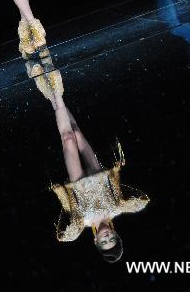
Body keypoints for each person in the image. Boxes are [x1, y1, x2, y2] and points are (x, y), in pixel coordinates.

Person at [48, 88, 149, 262]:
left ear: (96, 241)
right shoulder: (117, 209)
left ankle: (56, 95)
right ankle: (53, 96)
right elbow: (139, 199)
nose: (107, 237)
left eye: (104, 242)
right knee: (76, 133)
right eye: (112, 239)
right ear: (116, 234)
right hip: (97, 173)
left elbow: (65, 228)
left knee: (67, 138)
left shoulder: (82, 222)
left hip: (77, 181)